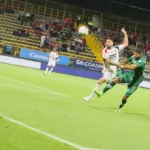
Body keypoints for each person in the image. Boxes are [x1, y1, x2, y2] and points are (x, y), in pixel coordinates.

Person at [83, 28, 128, 101]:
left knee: (100, 81)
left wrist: (125, 33)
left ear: (112, 43)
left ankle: (90, 96)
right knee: (99, 82)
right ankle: (91, 96)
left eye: (109, 41)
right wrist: (118, 64)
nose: (107, 43)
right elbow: (108, 61)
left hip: (113, 70)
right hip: (108, 69)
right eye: (106, 42)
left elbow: (126, 44)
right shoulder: (104, 50)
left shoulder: (116, 48)